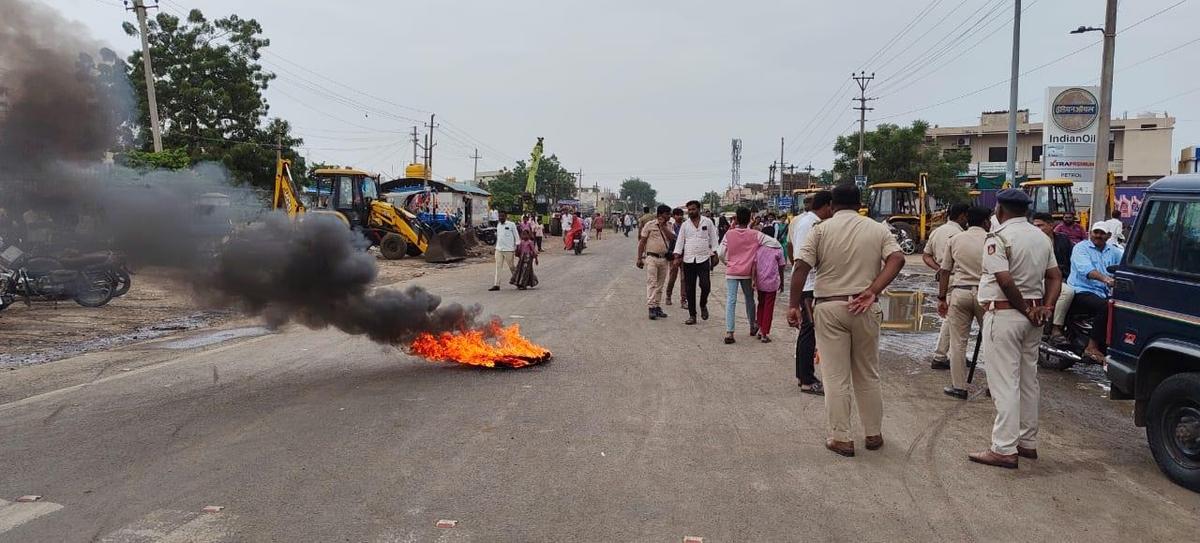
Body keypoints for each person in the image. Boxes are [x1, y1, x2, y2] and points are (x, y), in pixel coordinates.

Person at [787, 184, 906, 457]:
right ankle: (873, 434)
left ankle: (841, 438)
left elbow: (801, 267)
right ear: (859, 203)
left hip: (830, 306)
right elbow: (897, 259)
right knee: (867, 373)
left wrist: (793, 305)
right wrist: (873, 291)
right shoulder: (877, 229)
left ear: (833, 204)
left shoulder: (821, 230)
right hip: (865, 306)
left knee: (835, 375)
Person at [968, 189, 1062, 469]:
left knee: (1004, 382)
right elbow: (1055, 277)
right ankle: (1027, 443)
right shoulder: (1042, 237)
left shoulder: (998, 238)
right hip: (1033, 319)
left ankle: (1003, 448)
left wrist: (1026, 310)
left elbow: (1006, 281)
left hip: (1007, 315)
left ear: (1000, 209)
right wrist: (1045, 308)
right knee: (1027, 380)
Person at [936, 206, 992, 400]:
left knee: (958, 342)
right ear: (986, 221)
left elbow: (944, 271)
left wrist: (942, 298)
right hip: (987, 295)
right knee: (993, 341)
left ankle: (958, 387)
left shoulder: (956, 239)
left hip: (960, 292)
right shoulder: (993, 240)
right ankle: (994, 386)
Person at [790, 191, 833, 395]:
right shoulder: (814, 225)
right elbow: (804, 258)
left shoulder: (802, 220)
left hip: (806, 283)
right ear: (826, 206)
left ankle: (802, 375)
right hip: (809, 284)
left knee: (806, 332)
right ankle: (807, 379)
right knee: (809, 332)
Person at [718, 207, 779, 344]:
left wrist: (728, 262)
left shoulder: (729, 234)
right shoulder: (755, 234)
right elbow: (775, 243)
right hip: (747, 271)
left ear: (736, 219)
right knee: (749, 299)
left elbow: (721, 252)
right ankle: (752, 326)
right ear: (750, 219)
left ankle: (730, 332)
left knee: (731, 301)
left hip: (732, 271)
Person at [1066, 222, 1123, 361]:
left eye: (1102, 233)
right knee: (1105, 306)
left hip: (1104, 293)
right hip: (1081, 289)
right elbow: (1086, 269)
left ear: (1108, 235)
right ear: (1090, 232)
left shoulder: (1114, 251)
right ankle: (1091, 346)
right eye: (1095, 232)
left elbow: (1128, 264)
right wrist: (1106, 279)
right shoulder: (1081, 248)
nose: (1098, 235)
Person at [924, 203, 970, 370]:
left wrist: (939, 268)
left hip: (945, 278)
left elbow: (926, 256)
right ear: (962, 216)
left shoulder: (937, 231)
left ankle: (955, 355)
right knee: (953, 319)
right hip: (956, 278)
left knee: (955, 319)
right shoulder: (960, 235)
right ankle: (941, 356)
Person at [673, 200, 719, 325]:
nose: (691, 212)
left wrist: (715, 254)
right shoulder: (685, 225)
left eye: (693, 209)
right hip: (688, 259)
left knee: (705, 286)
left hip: (703, 258)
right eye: (689, 210)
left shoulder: (707, 222)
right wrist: (677, 257)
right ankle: (692, 315)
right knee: (689, 288)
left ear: (699, 209)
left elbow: (714, 239)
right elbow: (680, 242)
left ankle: (703, 304)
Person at [1032, 213, 1074, 341]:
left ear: (1051, 225)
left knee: (1072, 291)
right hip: (1038, 279)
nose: (1037, 229)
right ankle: (1055, 327)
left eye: (1040, 225)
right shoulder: (1031, 241)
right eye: (1035, 226)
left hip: (1062, 278)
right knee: (1067, 292)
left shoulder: (1063, 240)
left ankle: (1061, 327)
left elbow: (1071, 260)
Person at [637, 205, 676, 320]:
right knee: (652, 282)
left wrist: (663, 227)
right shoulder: (649, 225)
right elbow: (642, 242)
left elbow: (673, 238)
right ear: (660, 214)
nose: (669, 216)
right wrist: (639, 258)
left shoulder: (669, 225)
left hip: (664, 258)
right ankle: (651, 307)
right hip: (651, 258)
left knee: (660, 284)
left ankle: (657, 306)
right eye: (667, 214)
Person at [754, 230, 788, 343]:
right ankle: (764, 333)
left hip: (760, 281)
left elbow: (754, 264)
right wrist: (782, 282)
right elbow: (782, 267)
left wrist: (753, 280)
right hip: (772, 282)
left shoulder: (758, 247)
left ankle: (759, 328)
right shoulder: (778, 248)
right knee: (769, 307)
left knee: (761, 304)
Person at [489, 210, 520, 291]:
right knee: (498, 267)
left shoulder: (511, 224)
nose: (501, 217)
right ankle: (496, 285)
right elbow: (499, 237)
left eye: (502, 216)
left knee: (512, 267)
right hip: (499, 249)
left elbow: (516, 236)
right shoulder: (498, 225)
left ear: (506, 216)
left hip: (509, 249)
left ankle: (518, 281)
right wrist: (495, 247)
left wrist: (517, 246)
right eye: (499, 216)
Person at [665, 207, 686, 307]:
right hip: (673, 256)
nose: (680, 216)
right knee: (672, 278)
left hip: (685, 255)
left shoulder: (686, 226)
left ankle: (683, 300)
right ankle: (668, 296)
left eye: (681, 214)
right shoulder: (671, 227)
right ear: (674, 216)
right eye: (677, 215)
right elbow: (671, 238)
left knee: (684, 279)